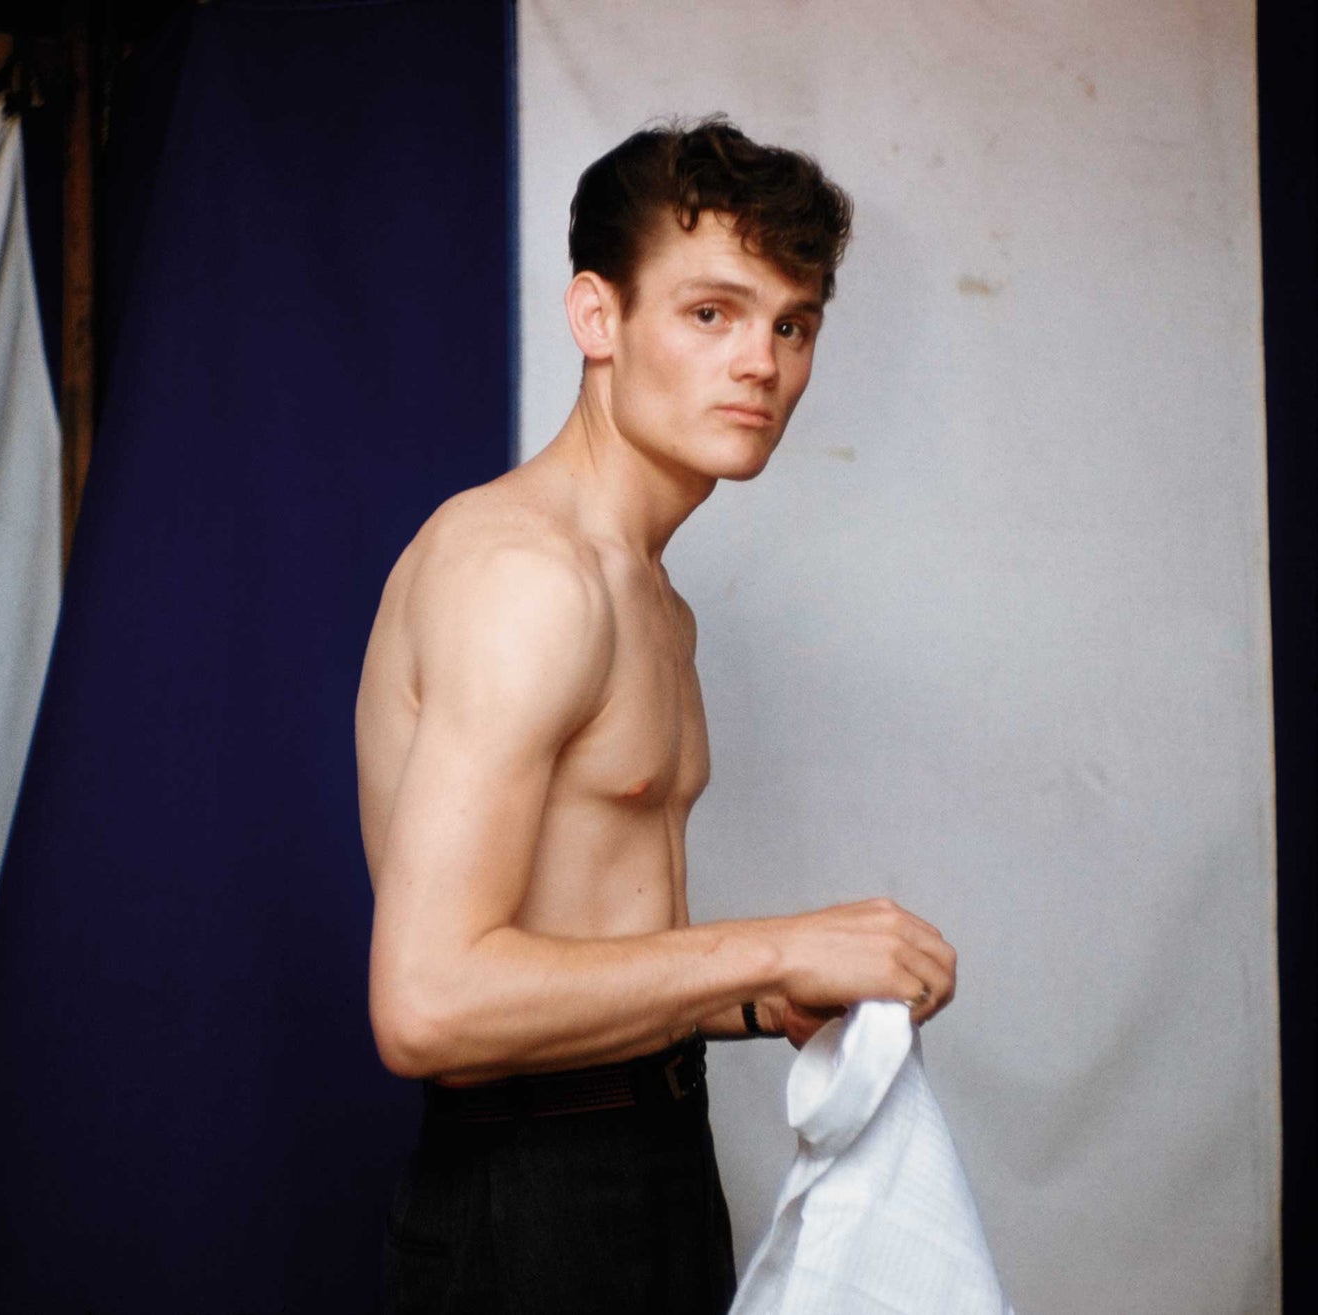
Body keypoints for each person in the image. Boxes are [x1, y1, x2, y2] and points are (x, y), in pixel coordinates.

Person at [354, 116, 959, 1314]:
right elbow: (426, 1004)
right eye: (710, 312)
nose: (759, 363)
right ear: (597, 318)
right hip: (527, 1197)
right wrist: (776, 946)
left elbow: (589, 940)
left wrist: (761, 1002)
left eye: (790, 325)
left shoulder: (649, 598)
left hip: (655, 1161)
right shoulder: (525, 576)